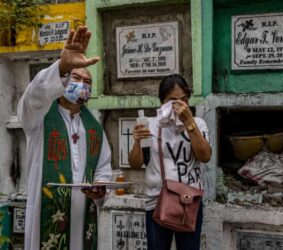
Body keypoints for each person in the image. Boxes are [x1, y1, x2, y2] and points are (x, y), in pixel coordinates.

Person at [18, 26, 112, 250]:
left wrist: (100, 187)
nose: (82, 85)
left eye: (88, 82)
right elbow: (33, 96)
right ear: (62, 81)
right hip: (46, 217)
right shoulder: (39, 118)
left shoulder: (94, 129)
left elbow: (103, 167)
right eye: (76, 76)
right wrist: (62, 66)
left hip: (82, 223)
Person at [128, 74, 212, 250]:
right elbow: (135, 164)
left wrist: (189, 122)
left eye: (183, 100)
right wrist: (137, 142)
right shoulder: (150, 125)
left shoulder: (198, 124)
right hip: (156, 201)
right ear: (162, 103)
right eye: (172, 100)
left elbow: (205, 156)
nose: (178, 105)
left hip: (189, 202)